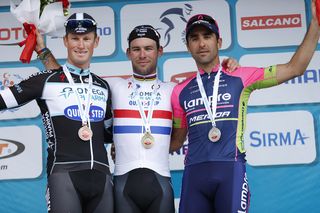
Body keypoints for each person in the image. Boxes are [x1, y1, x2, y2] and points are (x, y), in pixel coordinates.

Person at [37, 21, 240, 212]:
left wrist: (227, 66)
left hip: (160, 184)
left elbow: (181, 135)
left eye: (149, 48)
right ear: (128, 53)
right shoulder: (113, 86)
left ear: (159, 51)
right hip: (123, 186)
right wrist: (43, 51)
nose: (142, 54)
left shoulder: (175, 91)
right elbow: (67, 81)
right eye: (136, 49)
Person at [170, 1, 320, 213]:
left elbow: (294, 68)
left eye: (207, 36)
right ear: (187, 46)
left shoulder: (241, 76)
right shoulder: (180, 91)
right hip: (194, 176)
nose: (201, 43)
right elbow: (175, 142)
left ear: (219, 41)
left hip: (231, 172)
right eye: (194, 38)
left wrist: (316, 24)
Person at [0, 12, 114, 213]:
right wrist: (42, 51)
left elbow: (108, 134)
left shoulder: (103, 86)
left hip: (102, 178)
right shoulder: (46, 81)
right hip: (64, 176)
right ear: (65, 41)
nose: (81, 45)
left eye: (86, 38)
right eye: (75, 38)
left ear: (96, 41)